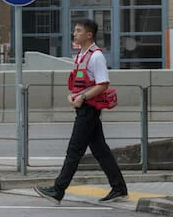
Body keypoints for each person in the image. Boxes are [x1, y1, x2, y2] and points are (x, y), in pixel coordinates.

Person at [34, 19, 128, 204]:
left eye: (78, 31)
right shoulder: (80, 55)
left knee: (74, 150)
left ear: (89, 35)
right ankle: (119, 188)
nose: (74, 34)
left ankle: (58, 190)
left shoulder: (96, 57)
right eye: (75, 31)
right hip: (83, 107)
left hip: (89, 110)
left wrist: (83, 98)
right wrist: (73, 96)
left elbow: (103, 84)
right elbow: (81, 83)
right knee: (100, 150)